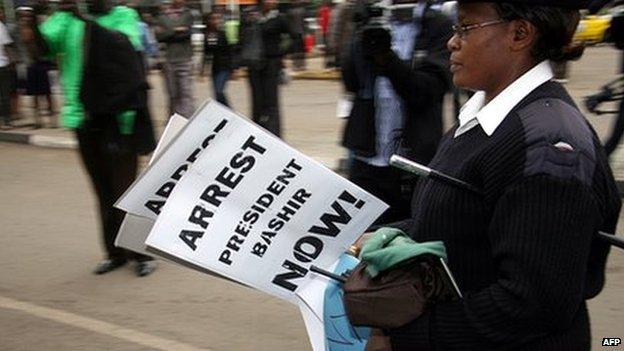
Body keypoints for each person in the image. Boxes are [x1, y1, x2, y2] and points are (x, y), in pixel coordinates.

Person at [362, 1, 621, 349]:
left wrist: (404, 339)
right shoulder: (484, 118)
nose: (452, 42)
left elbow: (531, 304)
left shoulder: (549, 148)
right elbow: (468, 222)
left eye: (465, 29)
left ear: (519, 34)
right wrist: (385, 234)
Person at [32, 0, 157, 276]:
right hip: (84, 116)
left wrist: (85, 20)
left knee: (125, 191)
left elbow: (122, 44)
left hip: (119, 117)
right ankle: (114, 253)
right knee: (102, 189)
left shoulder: (124, 16)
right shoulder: (66, 19)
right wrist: (32, 17)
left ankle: (141, 254)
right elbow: (42, 49)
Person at [342, 1, 453, 224]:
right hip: (368, 159)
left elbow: (425, 92)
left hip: (411, 163)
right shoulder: (375, 18)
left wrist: (387, 58)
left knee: (408, 244)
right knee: (359, 243)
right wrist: (359, 36)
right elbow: (352, 82)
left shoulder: (437, 25)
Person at [240, 0, 296, 137]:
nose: (273, 2)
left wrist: (280, 53)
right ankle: (256, 135)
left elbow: (295, 37)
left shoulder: (279, 18)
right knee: (256, 102)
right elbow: (241, 38)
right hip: (253, 66)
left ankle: (275, 137)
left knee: (271, 103)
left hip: (271, 65)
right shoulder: (250, 16)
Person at [155, 0, 196, 118]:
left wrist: (169, 32)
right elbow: (160, 36)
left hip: (185, 58)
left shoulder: (188, 14)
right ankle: (173, 119)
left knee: (185, 92)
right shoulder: (161, 17)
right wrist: (175, 30)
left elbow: (187, 33)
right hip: (168, 59)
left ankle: (187, 119)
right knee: (172, 93)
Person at [17, 8, 55, 129]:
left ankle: (51, 120)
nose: (25, 19)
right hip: (33, 65)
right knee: (36, 95)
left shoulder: (39, 30)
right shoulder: (25, 30)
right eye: (23, 16)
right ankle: (39, 121)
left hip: (39, 64)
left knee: (45, 94)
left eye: (28, 16)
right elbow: (25, 43)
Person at [201, 12, 234, 107]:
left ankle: (229, 110)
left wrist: (233, 68)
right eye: (213, 19)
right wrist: (203, 70)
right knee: (216, 92)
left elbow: (229, 50)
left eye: (217, 19)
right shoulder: (206, 35)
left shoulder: (222, 34)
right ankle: (222, 112)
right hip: (215, 67)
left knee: (219, 90)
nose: (215, 21)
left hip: (225, 67)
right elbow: (206, 53)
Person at [0, 7, 15, 130]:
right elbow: (6, 45)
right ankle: (6, 121)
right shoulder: (0, 26)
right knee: (5, 95)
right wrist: (11, 62)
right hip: (2, 65)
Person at [288, 0, 306, 71]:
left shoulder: (300, 11)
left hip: (298, 33)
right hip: (296, 33)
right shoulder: (300, 11)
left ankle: (300, 65)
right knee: (297, 50)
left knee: (299, 50)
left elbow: (304, 22)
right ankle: (298, 65)